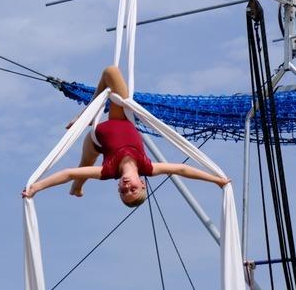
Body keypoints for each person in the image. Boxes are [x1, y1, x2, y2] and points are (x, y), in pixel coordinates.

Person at [22, 66, 230, 207]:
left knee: (82, 167)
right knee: (111, 72)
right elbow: (182, 169)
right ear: (142, 183)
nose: (128, 187)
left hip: (95, 140)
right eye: (133, 190)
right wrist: (216, 180)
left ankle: (77, 186)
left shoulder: (108, 171)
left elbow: (67, 172)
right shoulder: (149, 167)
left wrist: (37, 188)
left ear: (118, 187)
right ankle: (84, 121)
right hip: (121, 118)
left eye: (124, 191)